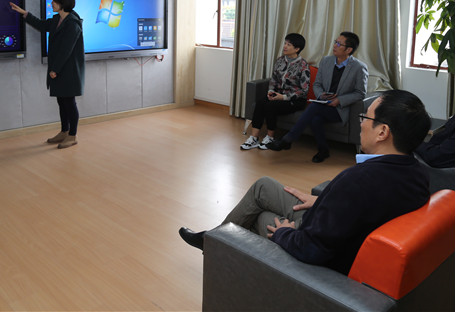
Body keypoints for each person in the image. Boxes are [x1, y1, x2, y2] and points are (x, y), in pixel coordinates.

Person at [179, 89, 431, 275]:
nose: (361, 123)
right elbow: (365, 208)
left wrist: (285, 233)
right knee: (263, 186)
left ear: (382, 132)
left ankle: (221, 255)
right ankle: (212, 239)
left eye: (365, 117)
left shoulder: (357, 181)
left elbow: (313, 250)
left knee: (259, 218)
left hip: (318, 248)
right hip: (332, 226)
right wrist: (325, 200)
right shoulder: (417, 173)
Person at [267, 32, 368, 163]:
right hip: (323, 103)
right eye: (335, 42)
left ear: (349, 49)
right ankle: (323, 150)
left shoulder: (359, 68)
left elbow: (360, 93)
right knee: (315, 119)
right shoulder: (326, 61)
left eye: (339, 44)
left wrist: (338, 100)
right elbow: (317, 84)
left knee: (315, 107)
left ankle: (288, 139)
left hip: (340, 108)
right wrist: (321, 95)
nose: (334, 45)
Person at [10, 0, 85, 149]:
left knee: (69, 102)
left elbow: (66, 50)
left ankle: (73, 135)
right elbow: (41, 25)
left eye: (55, 1)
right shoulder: (58, 19)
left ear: (63, 3)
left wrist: (55, 69)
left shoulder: (72, 23)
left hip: (68, 70)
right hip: (59, 68)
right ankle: (64, 131)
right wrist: (24, 13)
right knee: (61, 101)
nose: (52, 3)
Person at [241, 33, 310, 150]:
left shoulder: (303, 65)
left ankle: (270, 137)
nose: (285, 46)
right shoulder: (280, 60)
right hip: (278, 94)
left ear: (297, 49)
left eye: (289, 45)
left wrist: (283, 97)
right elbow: (273, 79)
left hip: (296, 100)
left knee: (270, 106)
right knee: (260, 103)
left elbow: (304, 90)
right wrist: (271, 91)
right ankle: (254, 138)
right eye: (285, 43)